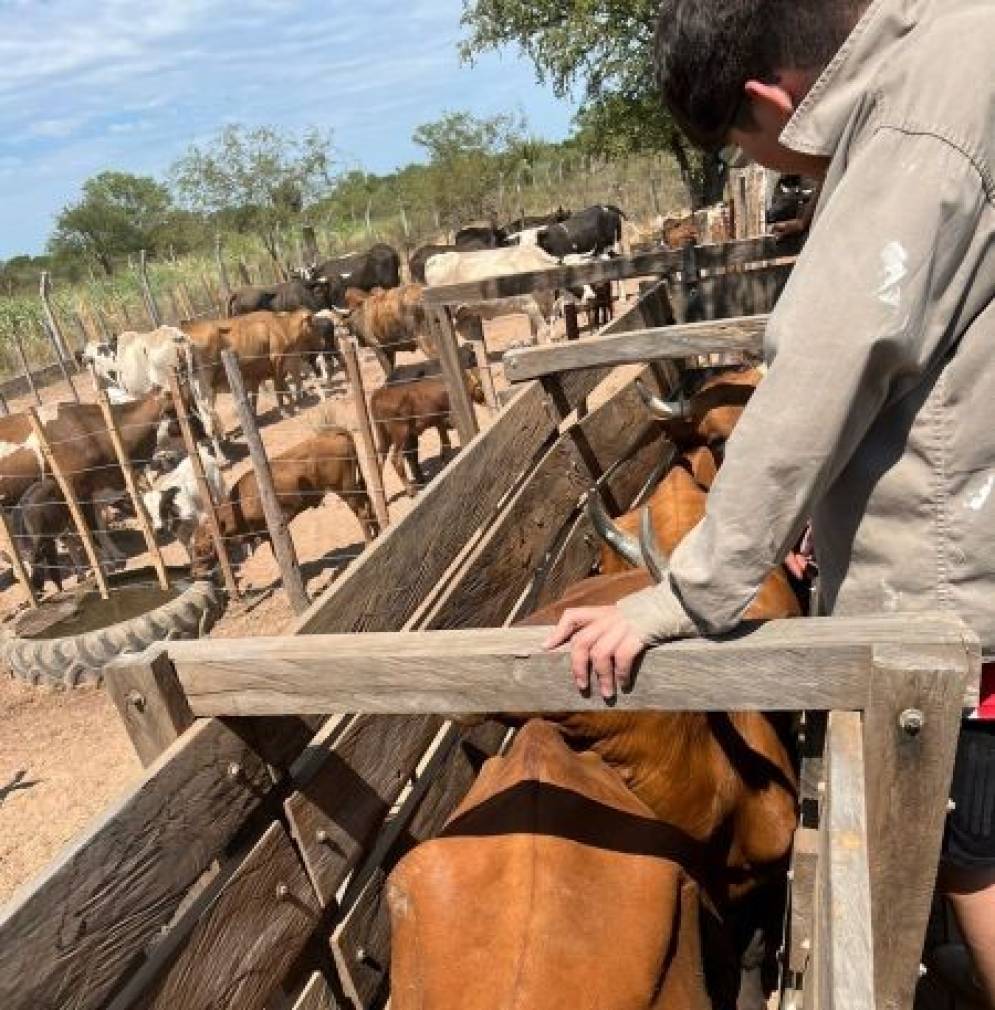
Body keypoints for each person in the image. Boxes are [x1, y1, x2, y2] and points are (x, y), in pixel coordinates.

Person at [543, 0, 995, 1004]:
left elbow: (826, 363)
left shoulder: (908, 135)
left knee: (970, 846)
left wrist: (680, 594)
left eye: (746, 145)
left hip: (955, 580)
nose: (760, 166)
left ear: (767, 100)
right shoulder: (966, 39)